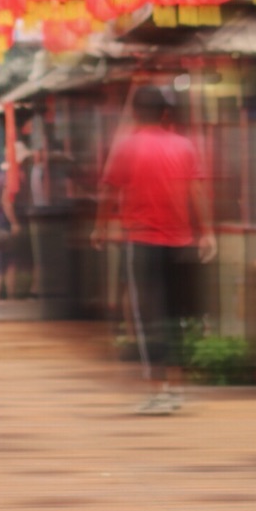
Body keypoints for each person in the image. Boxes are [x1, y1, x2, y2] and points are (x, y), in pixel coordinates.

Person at [91, 85, 216, 414]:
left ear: (134, 113)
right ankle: (176, 387)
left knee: (148, 318)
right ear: (165, 113)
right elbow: (197, 192)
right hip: (181, 242)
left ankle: (158, 390)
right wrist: (207, 233)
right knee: (176, 317)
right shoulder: (185, 146)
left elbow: (108, 193)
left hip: (142, 242)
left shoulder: (126, 148)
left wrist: (100, 228)